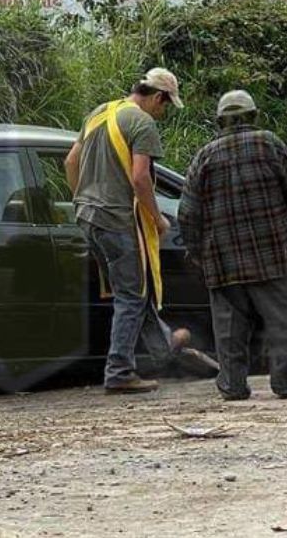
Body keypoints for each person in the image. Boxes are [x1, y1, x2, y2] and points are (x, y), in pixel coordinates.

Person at [178, 90, 287, 400]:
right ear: (253, 116)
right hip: (273, 255)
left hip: (223, 260)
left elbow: (188, 214)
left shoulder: (205, 155)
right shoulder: (270, 144)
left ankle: (233, 386)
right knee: (282, 325)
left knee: (229, 330)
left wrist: (200, 253)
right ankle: (286, 384)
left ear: (220, 121)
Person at [64, 68, 189, 394]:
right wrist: (158, 218)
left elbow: (71, 162)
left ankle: (163, 346)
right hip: (116, 221)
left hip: (89, 218)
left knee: (132, 287)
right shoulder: (142, 123)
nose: (162, 113)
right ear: (157, 97)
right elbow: (140, 178)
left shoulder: (101, 112)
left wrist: (83, 201)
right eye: (165, 105)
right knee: (130, 295)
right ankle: (119, 371)